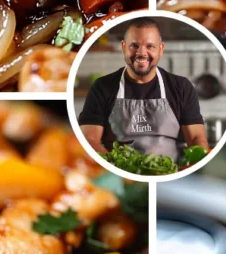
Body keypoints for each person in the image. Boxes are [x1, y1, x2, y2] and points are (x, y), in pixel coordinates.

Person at [78, 18, 208, 160]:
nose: (141, 53)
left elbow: (196, 137)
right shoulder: (102, 87)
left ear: (161, 49)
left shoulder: (181, 87)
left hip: (170, 169)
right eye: (134, 45)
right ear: (123, 47)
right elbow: (89, 140)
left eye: (150, 46)